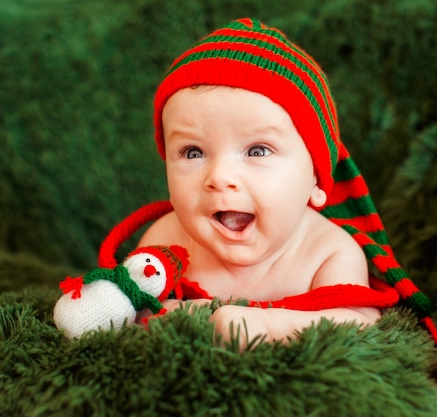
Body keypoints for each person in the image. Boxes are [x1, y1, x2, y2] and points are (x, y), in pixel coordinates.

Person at [135, 18, 404, 347]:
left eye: (257, 150)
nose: (219, 178)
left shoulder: (328, 252)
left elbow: (359, 323)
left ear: (317, 180)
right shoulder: (166, 241)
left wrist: (267, 324)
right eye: (192, 152)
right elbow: (130, 305)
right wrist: (167, 315)